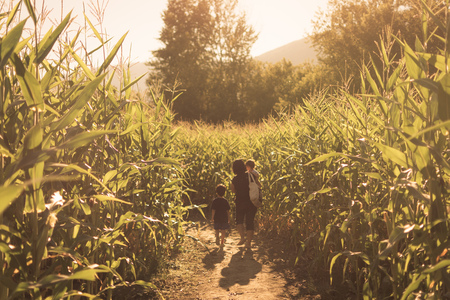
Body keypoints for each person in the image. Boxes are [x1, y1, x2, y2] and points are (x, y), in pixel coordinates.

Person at [231, 159, 258, 249]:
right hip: (251, 202)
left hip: (240, 202)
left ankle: (242, 237)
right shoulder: (250, 175)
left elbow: (233, 191)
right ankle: (248, 243)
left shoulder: (235, 179)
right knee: (250, 222)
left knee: (239, 220)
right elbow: (258, 185)